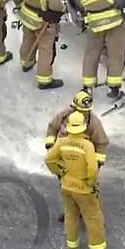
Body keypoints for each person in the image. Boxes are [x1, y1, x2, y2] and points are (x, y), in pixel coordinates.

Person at [44, 111, 116, 249]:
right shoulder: (87, 146)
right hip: (83, 190)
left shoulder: (61, 142)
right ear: (83, 127)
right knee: (93, 219)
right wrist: (91, 183)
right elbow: (92, 169)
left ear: (68, 127)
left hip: (66, 187)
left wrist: (59, 171)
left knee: (70, 217)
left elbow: (49, 159)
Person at [66, 0, 125, 100]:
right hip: (113, 21)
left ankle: (88, 87)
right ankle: (114, 89)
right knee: (116, 54)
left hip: (94, 24)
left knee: (91, 54)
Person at [45, 89, 110, 223]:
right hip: (64, 161)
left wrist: (96, 165)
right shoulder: (64, 116)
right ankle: (71, 212)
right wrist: (50, 145)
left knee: (89, 190)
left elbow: (101, 143)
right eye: (80, 110)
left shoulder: (94, 123)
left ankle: (93, 214)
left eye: (85, 111)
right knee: (67, 188)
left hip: (83, 163)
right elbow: (52, 127)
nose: (83, 113)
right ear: (73, 106)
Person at [10, 0, 65, 89]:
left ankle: (26, 63)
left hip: (26, 15)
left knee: (27, 39)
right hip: (43, 21)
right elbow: (56, 6)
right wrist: (60, 11)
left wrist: (22, 6)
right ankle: (44, 79)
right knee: (46, 48)